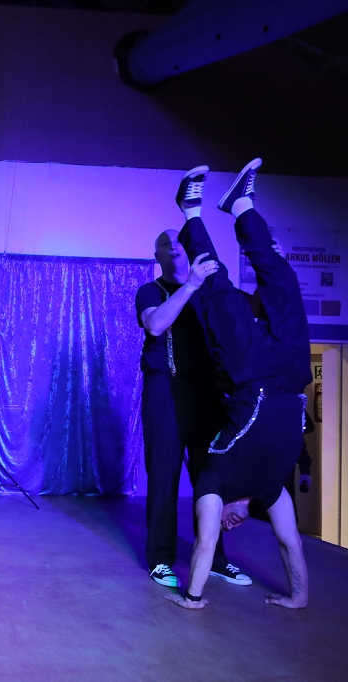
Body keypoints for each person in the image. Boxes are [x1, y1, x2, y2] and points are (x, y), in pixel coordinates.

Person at [163, 159, 311, 610]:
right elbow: (290, 542)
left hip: (249, 375)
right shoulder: (272, 491)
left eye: (225, 521)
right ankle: (242, 205)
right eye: (233, 523)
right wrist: (299, 598)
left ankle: (191, 213)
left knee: (219, 292)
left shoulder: (213, 483)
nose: (230, 524)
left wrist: (193, 597)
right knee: (282, 280)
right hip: (293, 373)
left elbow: (205, 543)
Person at [135, 166, 250, 589]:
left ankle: (215, 557)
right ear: (158, 256)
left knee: (209, 477)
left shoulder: (206, 291)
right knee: (164, 476)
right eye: (166, 245)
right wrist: (189, 287)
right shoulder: (151, 291)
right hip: (165, 390)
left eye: (178, 243)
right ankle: (161, 559)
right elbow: (155, 325)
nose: (175, 248)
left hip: (206, 394)